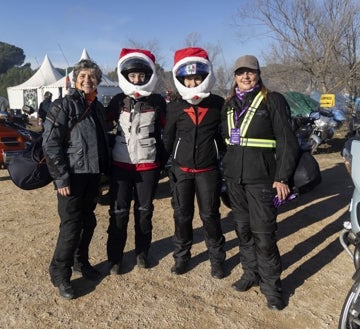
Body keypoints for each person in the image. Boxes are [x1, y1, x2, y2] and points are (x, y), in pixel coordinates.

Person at [221, 55, 299, 310]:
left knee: (264, 236)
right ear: (234, 76)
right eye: (241, 72)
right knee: (243, 231)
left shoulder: (272, 100)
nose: (245, 77)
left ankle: (272, 288)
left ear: (258, 74)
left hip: (262, 181)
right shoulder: (229, 105)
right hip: (235, 180)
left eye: (250, 72)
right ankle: (250, 274)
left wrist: (282, 177)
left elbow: (287, 141)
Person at [42, 59, 111, 299]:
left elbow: (101, 143)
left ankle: (80, 261)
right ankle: (60, 273)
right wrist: (61, 178)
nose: (87, 80)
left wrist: (104, 175)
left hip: (92, 175)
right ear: (74, 79)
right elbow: (50, 144)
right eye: (82, 76)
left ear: (98, 81)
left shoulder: (98, 108)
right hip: (72, 177)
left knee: (88, 222)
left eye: (91, 77)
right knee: (71, 227)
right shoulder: (64, 106)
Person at [162, 47, 226, 279]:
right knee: (182, 216)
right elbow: (168, 138)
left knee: (210, 216)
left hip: (208, 171)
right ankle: (181, 257)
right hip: (182, 172)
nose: (193, 82)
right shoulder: (175, 106)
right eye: (188, 78)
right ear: (182, 80)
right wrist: (163, 164)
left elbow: (224, 136)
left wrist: (224, 161)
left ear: (204, 77)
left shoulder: (217, 104)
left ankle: (217, 259)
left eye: (197, 77)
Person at [106, 48, 167, 274]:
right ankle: (114, 258)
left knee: (144, 211)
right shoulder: (118, 100)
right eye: (133, 75)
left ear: (148, 76)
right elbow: (101, 124)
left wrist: (163, 160)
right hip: (120, 165)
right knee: (118, 212)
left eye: (141, 75)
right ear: (126, 76)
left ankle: (142, 252)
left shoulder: (158, 101)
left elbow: (169, 131)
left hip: (148, 165)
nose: (137, 79)